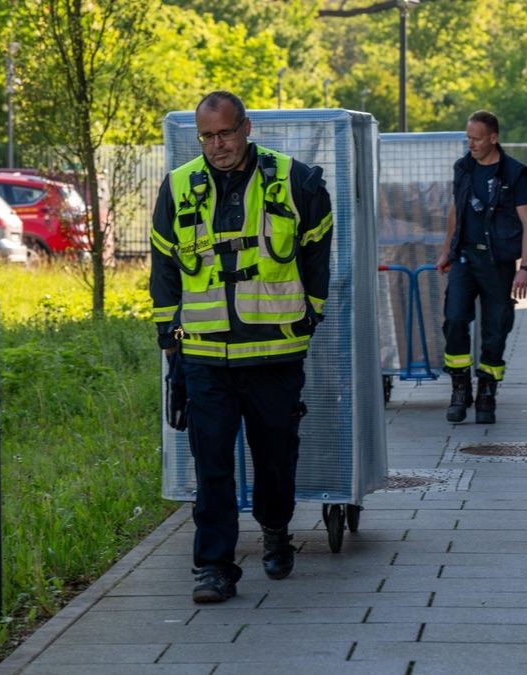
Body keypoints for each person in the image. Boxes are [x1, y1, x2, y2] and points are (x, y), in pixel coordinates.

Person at [149, 91, 333, 604]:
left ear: (247, 127)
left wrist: (310, 311)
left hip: (274, 351)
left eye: (225, 133)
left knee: (274, 458)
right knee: (211, 465)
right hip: (205, 355)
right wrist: (171, 341)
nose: (217, 145)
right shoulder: (179, 186)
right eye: (206, 136)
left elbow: (318, 246)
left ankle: (276, 530)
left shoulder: (295, 179)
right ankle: (213, 567)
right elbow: (163, 269)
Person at [436, 110, 527, 424]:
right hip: (465, 259)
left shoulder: (513, 173)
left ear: (493, 137)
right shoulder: (463, 169)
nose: (471, 144)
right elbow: (456, 210)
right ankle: (460, 387)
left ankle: (487, 391)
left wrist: (526, 268)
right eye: (468, 138)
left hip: (498, 264)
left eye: (476, 138)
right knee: (454, 320)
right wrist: (446, 252)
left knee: (495, 330)